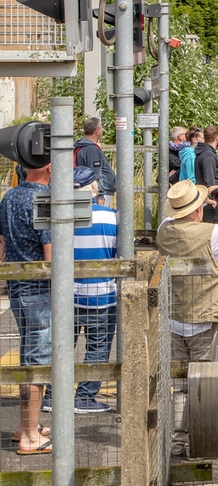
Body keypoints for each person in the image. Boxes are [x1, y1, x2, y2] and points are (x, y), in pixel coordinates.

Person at [156, 180, 218, 458]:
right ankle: (201, 443)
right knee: (202, 382)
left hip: (173, 318)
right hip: (203, 318)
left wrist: (197, 197)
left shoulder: (164, 231)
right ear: (198, 210)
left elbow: (169, 218)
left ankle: (177, 443)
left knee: (179, 386)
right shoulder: (212, 235)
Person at [0, 159, 53, 453]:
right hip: (39, 289)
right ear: (49, 167)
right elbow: (50, 251)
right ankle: (31, 436)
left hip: (16, 285)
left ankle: (26, 426)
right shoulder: (43, 198)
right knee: (38, 362)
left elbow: (2, 241)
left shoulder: (10, 196)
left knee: (28, 356)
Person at [66, 167, 117, 414]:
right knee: (98, 347)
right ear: (94, 188)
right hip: (101, 294)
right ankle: (85, 396)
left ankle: (53, 394)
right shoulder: (112, 218)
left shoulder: (61, 216)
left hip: (67, 294)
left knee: (64, 345)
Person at [74, 118, 117, 206]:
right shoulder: (91, 149)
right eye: (101, 128)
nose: (102, 131)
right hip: (99, 192)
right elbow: (96, 173)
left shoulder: (83, 146)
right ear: (97, 131)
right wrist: (100, 195)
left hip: (92, 190)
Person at [194, 126, 218, 191]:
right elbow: (210, 185)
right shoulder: (208, 156)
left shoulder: (203, 153)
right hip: (211, 196)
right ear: (217, 138)